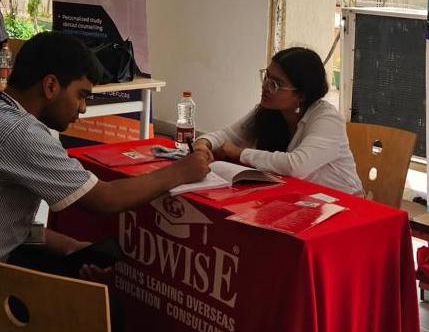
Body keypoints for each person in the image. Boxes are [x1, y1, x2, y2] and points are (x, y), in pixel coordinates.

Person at [0, 31, 211, 273]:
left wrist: (69, 246)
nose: (82, 108)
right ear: (51, 86)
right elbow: (105, 198)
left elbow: (13, 224)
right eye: (81, 95)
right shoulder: (23, 133)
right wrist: (181, 172)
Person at [194, 46, 364, 196]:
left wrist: (239, 153)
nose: (265, 87)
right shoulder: (270, 111)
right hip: (297, 197)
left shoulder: (327, 118)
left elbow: (296, 166)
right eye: (266, 77)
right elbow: (228, 135)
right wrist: (202, 145)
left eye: (275, 84)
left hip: (341, 203)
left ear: (301, 95)